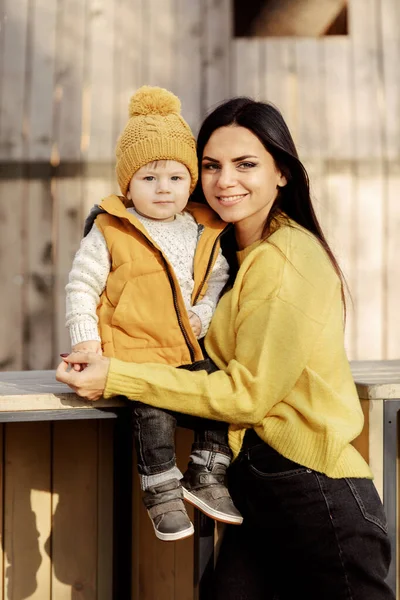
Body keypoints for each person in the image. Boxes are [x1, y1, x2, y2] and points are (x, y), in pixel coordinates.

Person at [57, 96, 394, 599]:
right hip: (255, 491)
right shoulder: (224, 257)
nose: (223, 180)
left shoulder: (285, 260)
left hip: (314, 491)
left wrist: (116, 374)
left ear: (282, 173)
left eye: (246, 164)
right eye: (211, 166)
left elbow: (245, 395)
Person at [64, 85, 243, 543]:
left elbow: (217, 283)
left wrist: (202, 314)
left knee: (216, 395)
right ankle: (161, 489)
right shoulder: (112, 229)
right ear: (128, 185)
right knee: (155, 413)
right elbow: (82, 285)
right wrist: (87, 340)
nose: (163, 189)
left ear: (191, 182)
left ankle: (207, 476)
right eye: (148, 179)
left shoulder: (204, 230)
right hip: (133, 350)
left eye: (175, 178)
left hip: (185, 345)